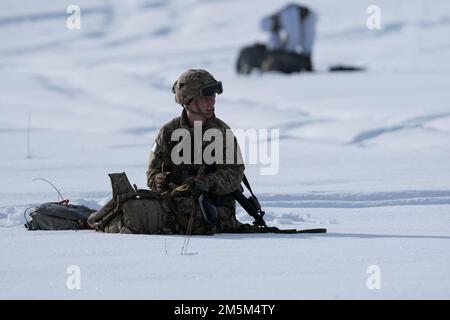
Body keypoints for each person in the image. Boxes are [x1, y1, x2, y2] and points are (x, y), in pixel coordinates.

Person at [146, 69, 245, 234]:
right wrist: (159, 180)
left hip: (214, 213)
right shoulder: (168, 132)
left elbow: (235, 173)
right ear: (188, 101)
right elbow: (152, 173)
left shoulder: (221, 132)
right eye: (205, 98)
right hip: (174, 209)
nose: (212, 102)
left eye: (213, 97)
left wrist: (207, 183)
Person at [260, 3, 317, 71]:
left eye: (273, 27)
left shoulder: (287, 16)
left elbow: (294, 36)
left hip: (308, 18)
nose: (274, 28)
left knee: (306, 45)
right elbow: (274, 41)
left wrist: (288, 52)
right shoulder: (276, 24)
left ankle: (308, 66)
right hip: (299, 20)